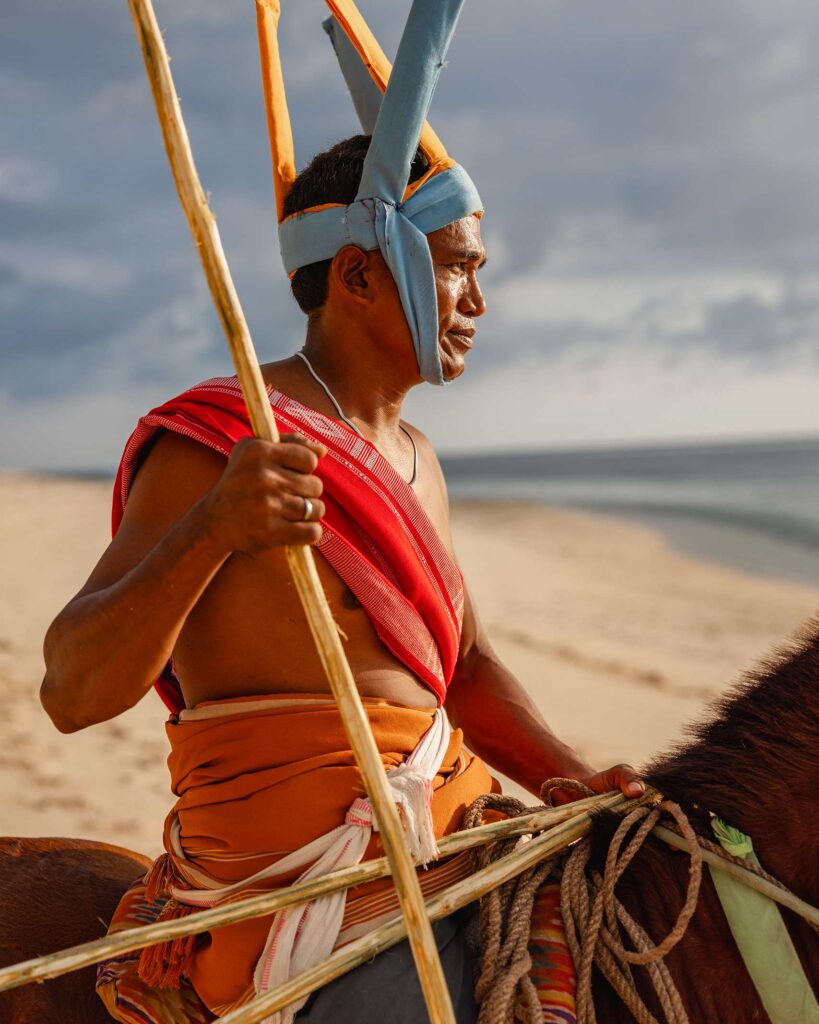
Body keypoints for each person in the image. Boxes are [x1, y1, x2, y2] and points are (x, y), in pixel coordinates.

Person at [41, 4, 642, 1021]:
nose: (477, 302)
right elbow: (70, 688)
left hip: (450, 837)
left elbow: (464, 669)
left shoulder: (420, 460)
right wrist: (213, 530)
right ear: (361, 273)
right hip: (294, 898)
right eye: (457, 266)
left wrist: (569, 778)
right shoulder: (221, 439)